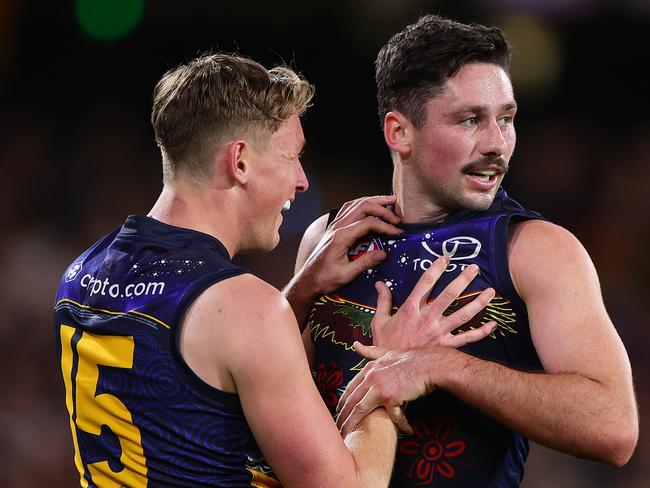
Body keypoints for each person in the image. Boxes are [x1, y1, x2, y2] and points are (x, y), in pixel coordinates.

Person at [54, 52, 494, 487]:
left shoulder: (83, 270)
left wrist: (299, 293)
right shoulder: (246, 308)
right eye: (292, 156)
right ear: (239, 161)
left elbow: (191, 371)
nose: (301, 181)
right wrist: (387, 372)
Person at [292, 15, 639, 486]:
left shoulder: (534, 249)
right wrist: (299, 291)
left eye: (507, 118)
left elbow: (613, 428)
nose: (497, 144)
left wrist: (440, 365)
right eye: (470, 120)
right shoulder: (329, 237)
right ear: (400, 132)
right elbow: (273, 390)